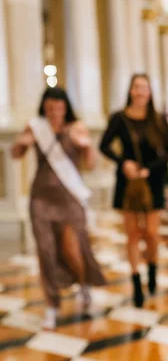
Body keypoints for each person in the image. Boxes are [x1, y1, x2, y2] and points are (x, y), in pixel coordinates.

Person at [11, 87, 106, 329]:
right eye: (50, 107)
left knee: (74, 249)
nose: (54, 112)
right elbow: (15, 153)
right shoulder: (35, 127)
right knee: (45, 252)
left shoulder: (76, 128)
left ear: (66, 108)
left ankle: (83, 283)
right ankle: (52, 304)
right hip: (41, 199)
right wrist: (22, 142)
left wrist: (86, 146)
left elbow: (91, 164)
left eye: (59, 107)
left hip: (69, 198)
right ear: (44, 107)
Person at [99, 73, 168, 308]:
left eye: (144, 88)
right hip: (128, 182)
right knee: (132, 233)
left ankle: (152, 268)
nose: (140, 92)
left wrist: (148, 170)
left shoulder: (159, 120)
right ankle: (135, 279)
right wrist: (124, 163)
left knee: (151, 232)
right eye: (136, 87)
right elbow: (104, 145)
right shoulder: (119, 118)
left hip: (152, 181)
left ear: (150, 92)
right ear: (130, 91)